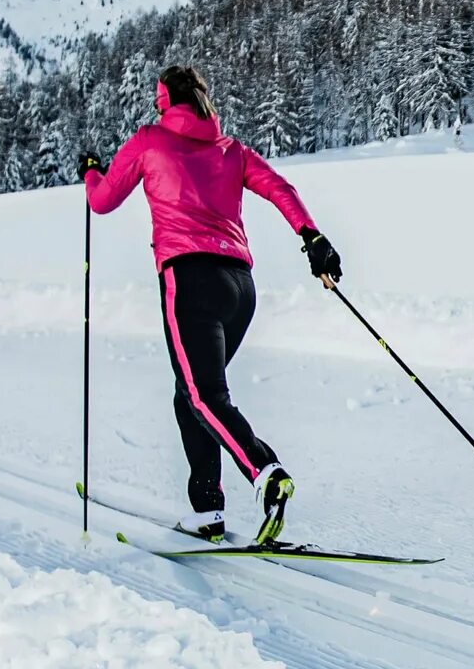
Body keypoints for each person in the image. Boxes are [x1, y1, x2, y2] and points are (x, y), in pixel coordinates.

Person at [83, 66, 343, 545]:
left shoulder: (149, 141)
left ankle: (266, 472)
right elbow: (282, 190)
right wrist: (313, 237)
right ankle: (207, 512)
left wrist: (91, 171)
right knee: (192, 396)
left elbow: (101, 201)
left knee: (203, 396)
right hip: (240, 288)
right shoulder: (232, 150)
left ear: (164, 101)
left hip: (189, 279)